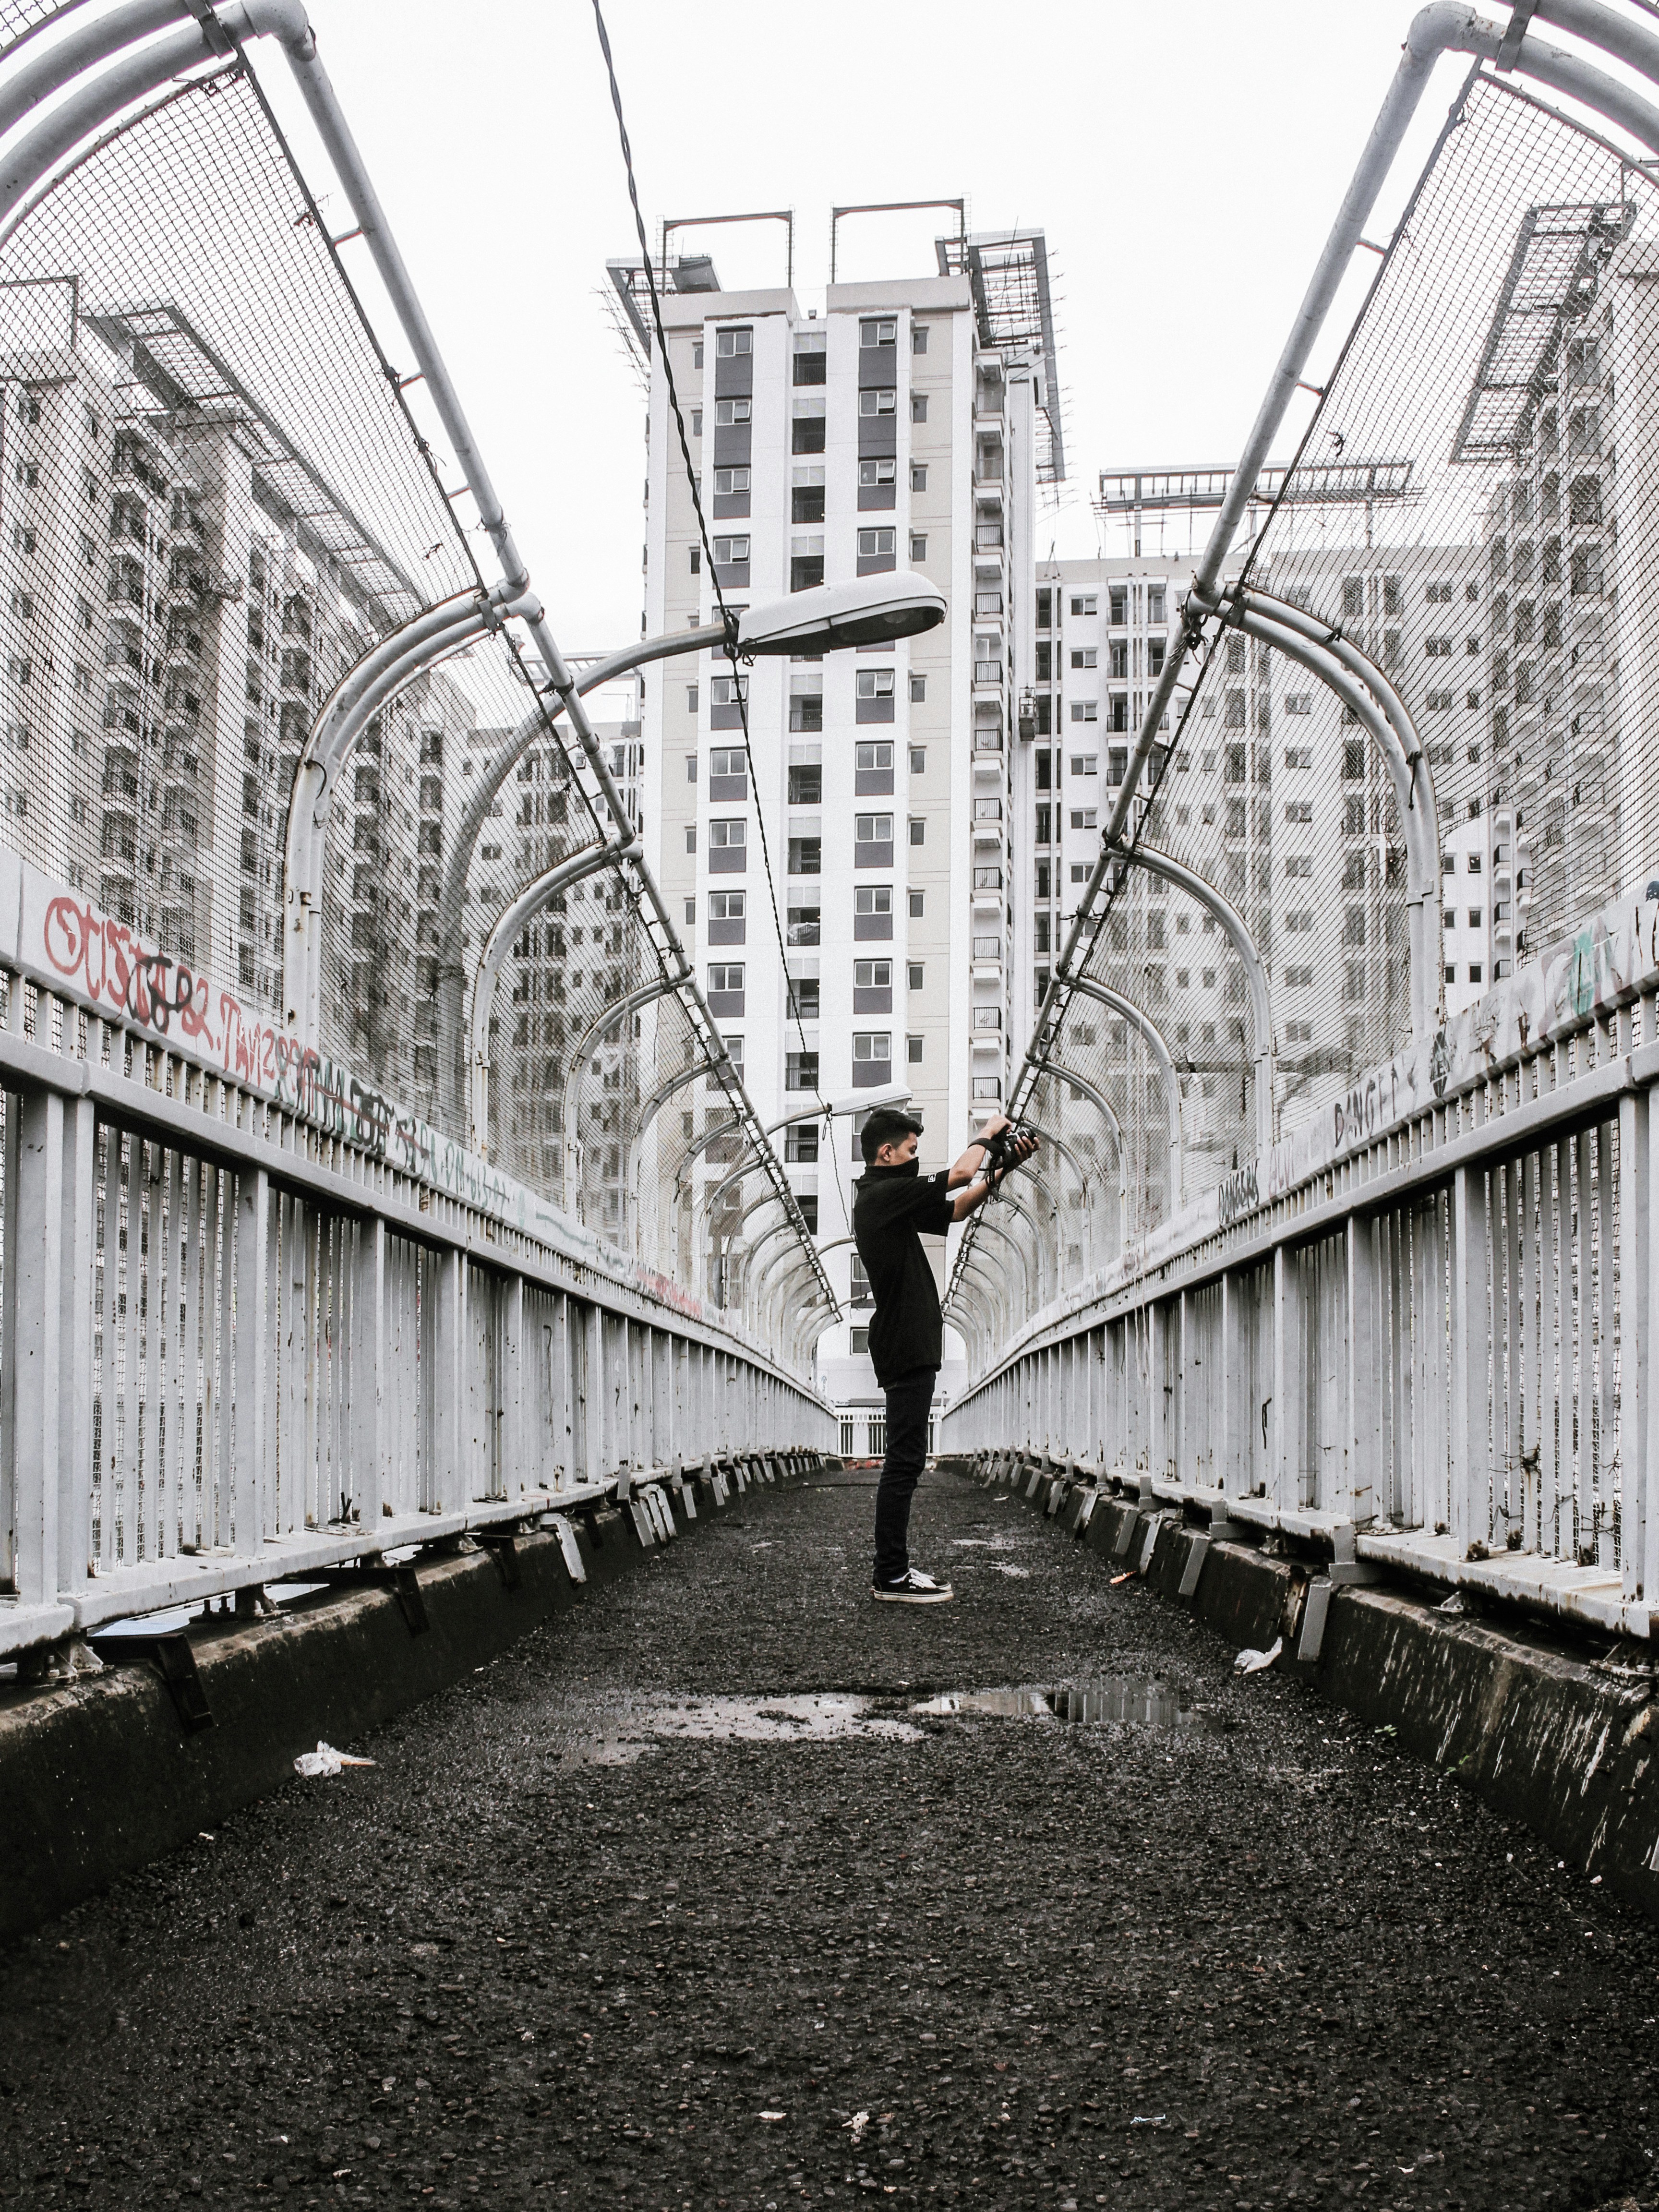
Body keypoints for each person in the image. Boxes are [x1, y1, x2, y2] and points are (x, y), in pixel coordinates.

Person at [852, 1106, 1038, 1603]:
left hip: (909, 1343)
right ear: (886, 1153)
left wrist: (1003, 1169)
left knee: (905, 1460)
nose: (916, 1158)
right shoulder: (878, 1196)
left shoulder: (890, 1200)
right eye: (911, 1150)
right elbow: (957, 1176)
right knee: (903, 1462)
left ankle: (893, 1571)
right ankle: (891, 1575)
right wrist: (987, 1133)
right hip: (905, 1344)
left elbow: (955, 1209)